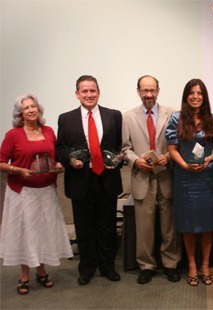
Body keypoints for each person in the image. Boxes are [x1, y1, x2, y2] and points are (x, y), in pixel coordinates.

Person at [0, 94, 72, 295]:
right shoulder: (13, 135)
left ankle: (41, 271)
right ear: (19, 113)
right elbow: (1, 162)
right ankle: (24, 275)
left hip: (46, 191)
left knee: (43, 232)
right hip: (23, 193)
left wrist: (58, 165)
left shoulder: (48, 131)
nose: (31, 110)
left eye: (33, 106)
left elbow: (55, 157)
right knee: (26, 233)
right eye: (26, 108)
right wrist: (18, 170)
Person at [56, 75, 123, 286]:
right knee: (85, 228)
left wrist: (117, 159)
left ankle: (107, 266)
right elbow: (60, 148)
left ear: (99, 92)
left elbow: (118, 146)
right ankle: (86, 268)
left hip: (106, 178)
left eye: (92, 90)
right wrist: (69, 160)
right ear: (77, 94)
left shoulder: (114, 115)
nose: (89, 95)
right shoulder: (66, 119)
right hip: (80, 180)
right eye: (84, 91)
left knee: (107, 227)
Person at [122, 75, 181, 284]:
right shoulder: (127, 117)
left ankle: (171, 264)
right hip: (142, 176)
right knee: (144, 226)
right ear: (138, 91)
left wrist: (170, 157)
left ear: (158, 90)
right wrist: (135, 160)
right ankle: (146, 266)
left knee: (169, 225)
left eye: (152, 90)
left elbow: (179, 143)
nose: (149, 95)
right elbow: (125, 148)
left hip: (166, 175)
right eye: (144, 91)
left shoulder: (173, 113)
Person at [165, 79, 213, 286]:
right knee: (188, 223)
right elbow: (172, 149)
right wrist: (185, 166)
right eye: (191, 93)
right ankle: (191, 264)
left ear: (204, 96)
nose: (195, 96)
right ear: (186, 96)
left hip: (207, 177)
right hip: (185, 178)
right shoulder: (175, 119)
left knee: (207, 223)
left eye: (199, 93)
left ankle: (205, 265)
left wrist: (209, 159)